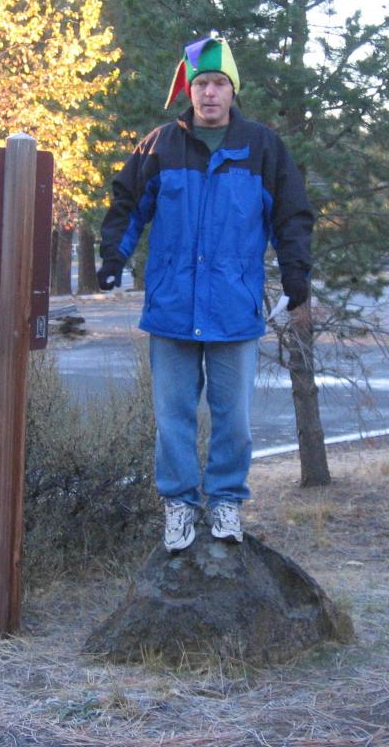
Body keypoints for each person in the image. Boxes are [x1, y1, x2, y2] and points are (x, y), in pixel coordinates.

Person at [97, 36, 313, 553]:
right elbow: (128, 205)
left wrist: (297, 274)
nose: (209, 93)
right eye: (200, 84)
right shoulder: (160, 146)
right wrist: (113, 258)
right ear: (189, 91)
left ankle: (225, 502)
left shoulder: (262, 148)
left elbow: (291, 215)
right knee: (172, 416)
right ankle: (179, 505)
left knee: (232, 418)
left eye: (218, 84)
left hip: (233, 309)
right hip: (171, 308)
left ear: (232, 90)